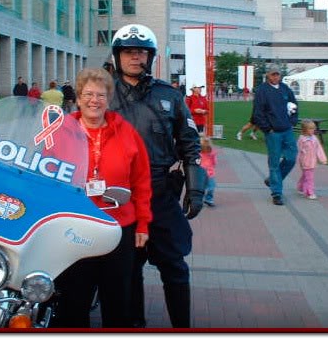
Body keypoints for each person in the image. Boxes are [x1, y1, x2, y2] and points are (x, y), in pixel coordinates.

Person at [109, 23, 206, 328]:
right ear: (117, 56)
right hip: (118, 196)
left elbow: (190, 143)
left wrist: (195, 188)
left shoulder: (170, 96)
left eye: (141, 52)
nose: (135, 58)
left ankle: (181, 327)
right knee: (127, 268)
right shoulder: (104, 95)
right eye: (128, 52)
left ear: (149, 57)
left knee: (174, 265)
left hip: (160, 192)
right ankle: (134, 325)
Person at [52, 67, 152, 328]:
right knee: (73, 301)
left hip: (117, 228)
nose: (94, 100)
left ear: (109, 99)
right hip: (74, 227)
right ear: (78, 96)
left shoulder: (126, 132)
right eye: (88, 94)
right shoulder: (61, 132)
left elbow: (141, 181)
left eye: (100, 95)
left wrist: (143, 223)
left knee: (118, 302)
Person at [253, 65, 298, 206]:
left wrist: (292, 122)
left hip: (287, 130)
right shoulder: (262, 91)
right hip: (273, 133)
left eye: (277, 74)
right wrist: (268, 129)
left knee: (291, 158)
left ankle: (272, 180)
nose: (275, 77)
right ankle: (276, 193)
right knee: (274, 163)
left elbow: (294, 105)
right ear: (268, 75)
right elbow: (257, 113)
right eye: (273, 74)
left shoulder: (285, 89)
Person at [297, 119, 328, 200]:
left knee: (305, 176)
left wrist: (322, 159)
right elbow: (298, 150)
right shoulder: (302, 139)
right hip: (305, 161)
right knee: (309, 178)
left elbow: (319, 149)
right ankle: (309, 192)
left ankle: (300, 187)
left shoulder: (314, 139)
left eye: (313, 128)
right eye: (310, 129)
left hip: (313, 161)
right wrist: (296, 159)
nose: (313, 130)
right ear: (305, 130)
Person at [199, 135, 218, 208]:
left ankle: (208, 199)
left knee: (211, 186)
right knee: (202, 188)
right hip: (201, 173)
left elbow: (214, 162)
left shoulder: (212, 153)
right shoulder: (199, 153)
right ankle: (199, 199)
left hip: (209, 173)